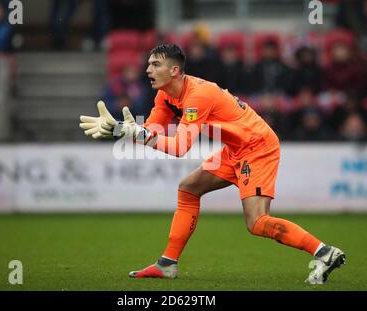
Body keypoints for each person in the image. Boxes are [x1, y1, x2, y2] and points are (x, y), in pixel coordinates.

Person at [79, 44, 346, 283]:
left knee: (257, 222)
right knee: (188, 188)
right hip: (236, 147)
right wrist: (120, 131)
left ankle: (324, 252)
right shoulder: (164, 95)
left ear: (174, 70)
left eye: (155, 64)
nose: (148, 68)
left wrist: (137, 133)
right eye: (148, 63)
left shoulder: (198, 95)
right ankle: (167, 264)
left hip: (257, 147)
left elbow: (180, 147)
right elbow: (152, 132)